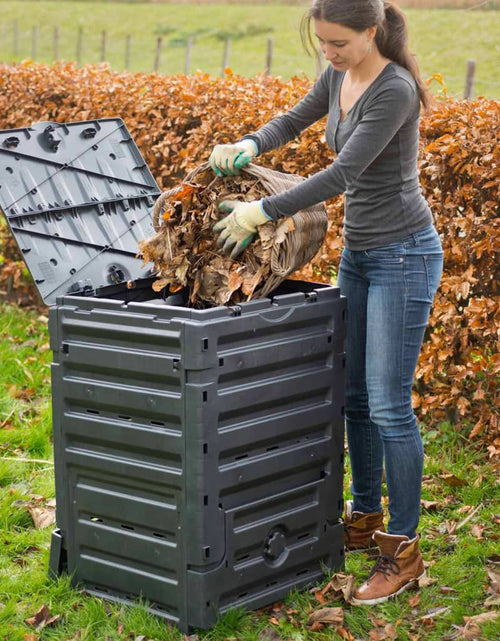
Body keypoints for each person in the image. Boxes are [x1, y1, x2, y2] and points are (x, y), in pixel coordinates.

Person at [208, 0, 443, 605]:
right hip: (360, 255)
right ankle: (363, 519)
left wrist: (264, 209)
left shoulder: (395, 91)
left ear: (371, 32)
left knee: (390, 406)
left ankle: (403, 549)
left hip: (404, 255)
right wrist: (251, 141)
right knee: (356, 399)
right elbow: (297, 118)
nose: (329, 55)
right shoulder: (340, 72)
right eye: (322, 44)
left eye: (338, 44)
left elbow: (342, 173)